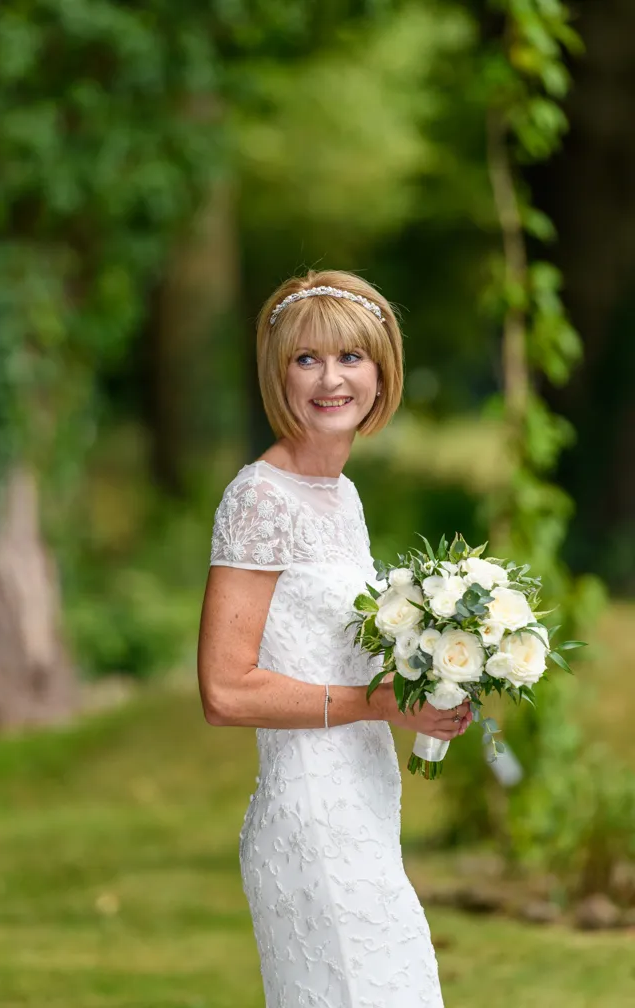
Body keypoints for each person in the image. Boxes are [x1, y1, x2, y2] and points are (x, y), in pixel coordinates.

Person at [197, 269, 472, 1007]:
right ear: (277, 372)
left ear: (382, 373)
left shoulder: (340, 495)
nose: (331, 379)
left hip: (366, 800)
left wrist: (435, 680)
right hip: (311, 817)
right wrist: (376, 703)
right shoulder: (258, 497)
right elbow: (225, 690)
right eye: (306, 358)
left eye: (350, 358)